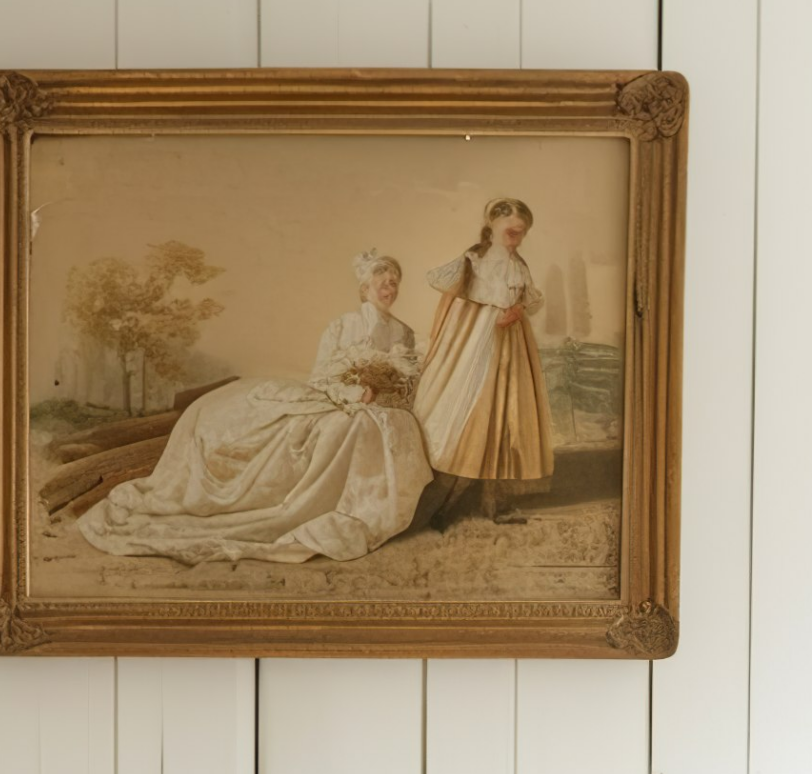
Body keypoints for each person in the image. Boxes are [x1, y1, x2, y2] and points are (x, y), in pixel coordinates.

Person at [77, 250, 434, 565]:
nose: (389, 288)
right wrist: (354, 392)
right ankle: (297, 505)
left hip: (382, 407)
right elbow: (323, 375)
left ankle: (373, 508)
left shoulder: (403, 333)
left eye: (394, 282)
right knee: (338, 428)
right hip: (341, 398)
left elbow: (405, 378)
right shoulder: (343, 326)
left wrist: (386, 389)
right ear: (365, 287)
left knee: (389, 428)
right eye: (382, 281)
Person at [413, 198, 554, 521]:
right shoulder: (473, 261)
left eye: (520, 232)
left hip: (511, 350)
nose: (515, 236)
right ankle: (444, 502)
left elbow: (529, 300)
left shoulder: (519, 265)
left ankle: (494, 499)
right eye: (510, 229)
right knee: (467, 416)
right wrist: (489, 316)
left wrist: (517, 310)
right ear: (492, 225)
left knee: (506, 416)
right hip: (475, 351)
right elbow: (456, 303)